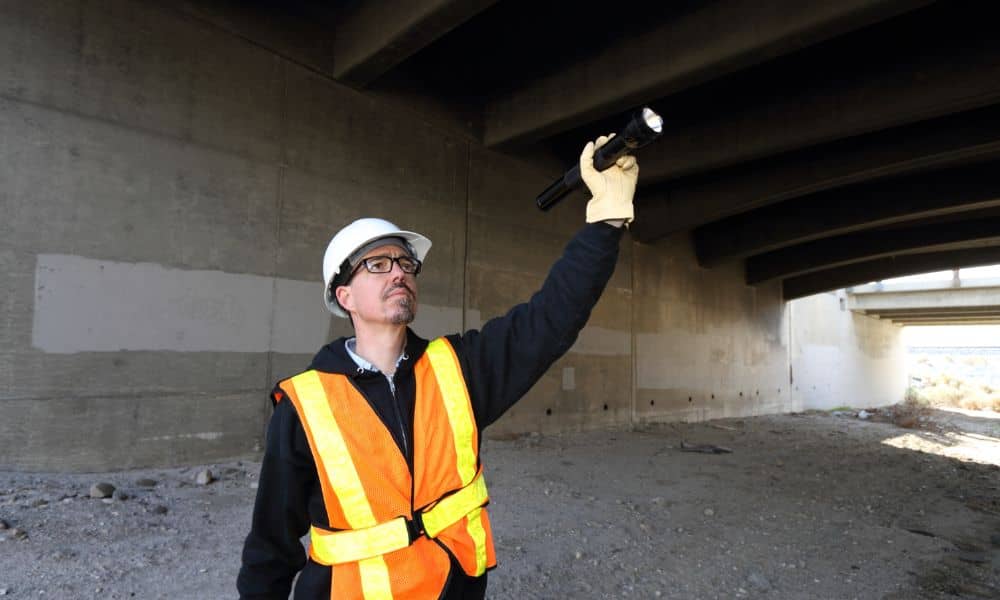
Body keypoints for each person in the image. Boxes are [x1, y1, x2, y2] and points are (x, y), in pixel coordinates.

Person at [237, 136, 638, 599]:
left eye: (405, 263)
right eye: (378, 264)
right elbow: (270, 547)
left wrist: (607, 220)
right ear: (344, 296)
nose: (399, 273)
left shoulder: (456, 370)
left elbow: (549, 320)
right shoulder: (306, 405)